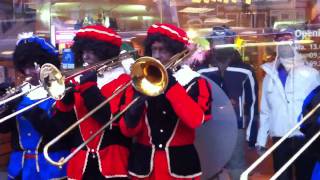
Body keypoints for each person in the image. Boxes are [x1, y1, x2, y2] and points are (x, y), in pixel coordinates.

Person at [119, 23, 212, 180]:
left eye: (163, 50)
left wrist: (172, 86)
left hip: (180, 166)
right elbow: (128, 131)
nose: (156, 56)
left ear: (177, 52)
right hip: (144, 166)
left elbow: (195, 120)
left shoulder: (195, 82)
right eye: (154, 50)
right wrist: (134, 108)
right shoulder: (140, 81)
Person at [53, 25, 132, 180]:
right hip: (80, 162)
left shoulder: (124, 81)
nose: (85, 56)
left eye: (92, 51)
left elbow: (110, 122)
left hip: (113, 160)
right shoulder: (77, 80)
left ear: (106, 52)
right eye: (83, 51)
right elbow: (61, 127)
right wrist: (64, 101)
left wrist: (89, 88)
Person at [0, 34, 69, 179]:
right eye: (25, 67)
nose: (28, 72)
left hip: (51, 166)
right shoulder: (19, 92)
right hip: (20, 166)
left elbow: (58, 133)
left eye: (33, 66)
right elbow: (4, 129)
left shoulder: (61, 93)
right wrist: (5, 109)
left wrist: (32, 112)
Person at [256, 31, 320, 180]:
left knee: (305, 175)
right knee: (281, 176)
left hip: (304, 135)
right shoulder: (269, 77)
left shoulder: (310, 74)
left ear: (296, 43)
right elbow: (265, 111)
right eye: (280, 39)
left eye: (288, 39)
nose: (284, 42)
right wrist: (261, 140)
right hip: (280, 136)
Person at [199, 27, 259, 179]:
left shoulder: (245, 70)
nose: (221, 44)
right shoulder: (201, 71)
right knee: (210, 167)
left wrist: (252, 135)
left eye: (225, 41)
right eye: (216, 41)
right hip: (209, 127)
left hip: (236, 127)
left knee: (237, 167)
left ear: (232, 42)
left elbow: (251, 104)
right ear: (211, 44)